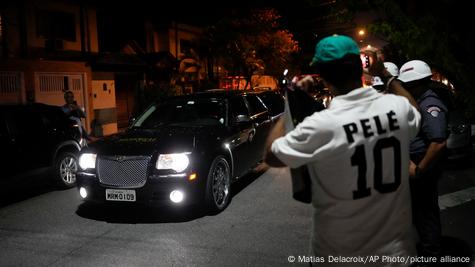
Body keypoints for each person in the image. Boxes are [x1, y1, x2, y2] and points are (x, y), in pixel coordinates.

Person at [264, 35, 421, 266]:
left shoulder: (321, 125)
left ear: (323, 75)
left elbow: (271, 156)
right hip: (395, 256)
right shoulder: (396, 108)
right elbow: (415, 112)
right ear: (361, 68)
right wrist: (386, 76)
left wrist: (290, 99)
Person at [398, 60, 449, 262]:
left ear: (419, 83)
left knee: (426, 215)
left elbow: (438, 142)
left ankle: (431, 257)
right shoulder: (418, 101)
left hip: (422, 165)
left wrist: (419, 169)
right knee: (420, 214)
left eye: (408, 85)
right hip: (417, 163)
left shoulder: (429, 104)